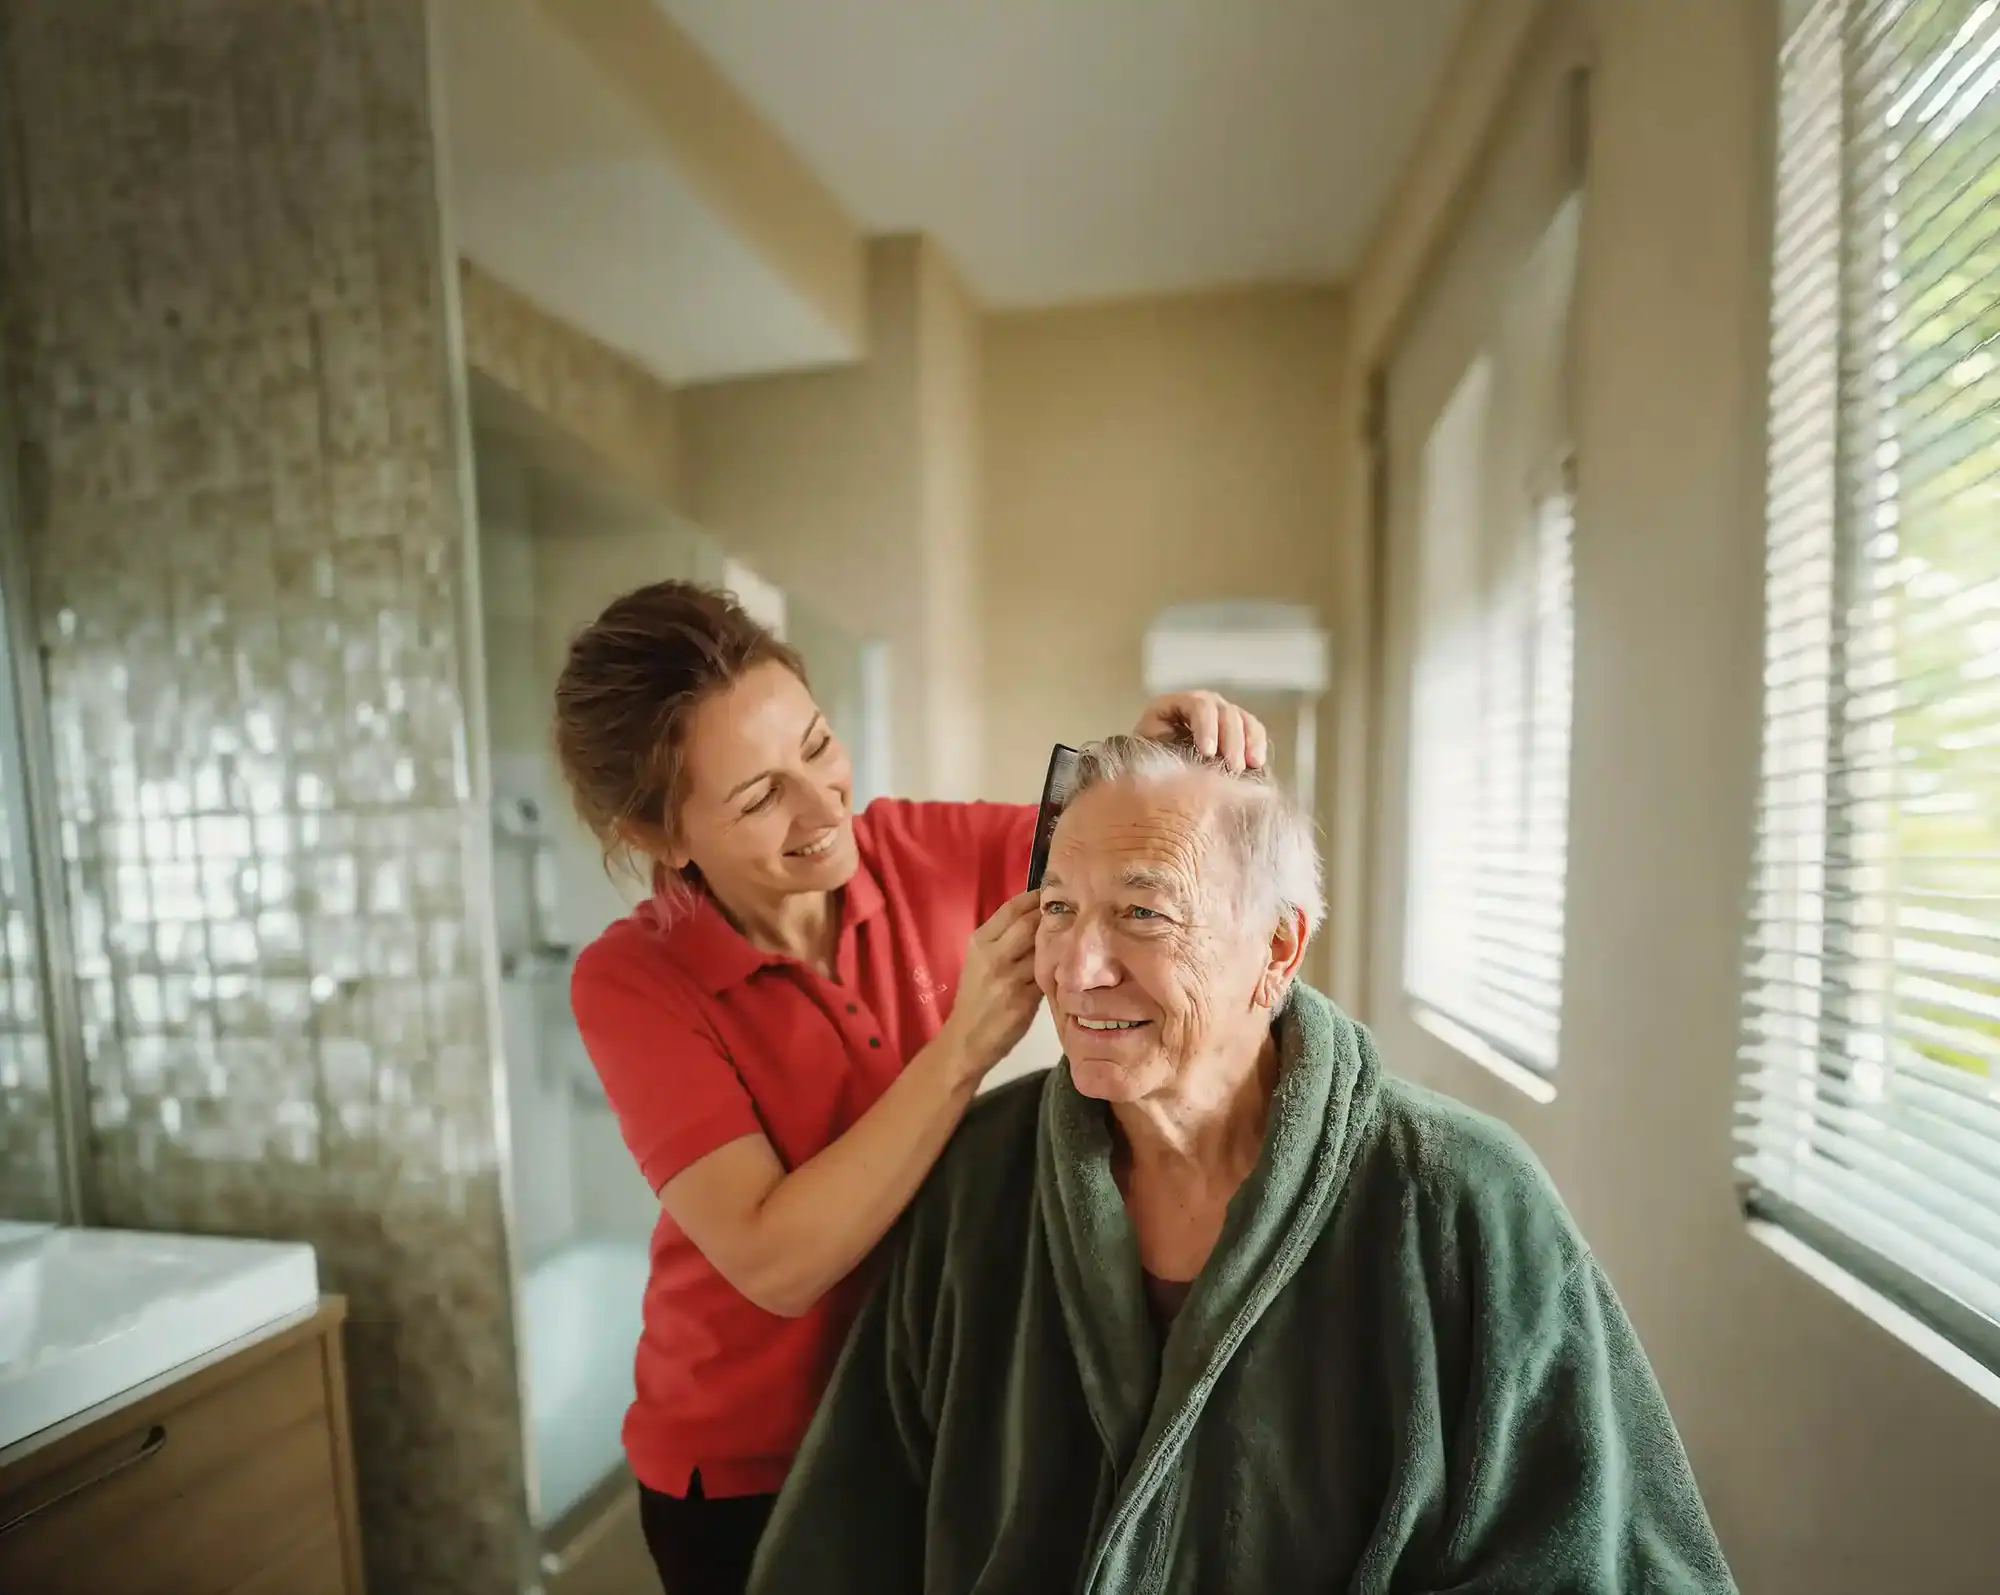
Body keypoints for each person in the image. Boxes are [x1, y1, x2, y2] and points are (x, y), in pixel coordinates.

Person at [747, 733, 1739, 1595]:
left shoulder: (1459, 1196)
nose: (1080, 966)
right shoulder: (980, 1176)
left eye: (1141, 914)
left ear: (1276, 947)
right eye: (1057, 907)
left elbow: (1590, 1555)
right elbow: (850, 1530)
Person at [553, 580, 1269, 1595]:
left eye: (814, 744)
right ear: (658, 837)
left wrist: (1147, 759)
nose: (821, 805)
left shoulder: (919, 850)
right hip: (750, 1462)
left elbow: (1097, 850)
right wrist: (962, 1047)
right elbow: (773, 1258)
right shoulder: (632, 979)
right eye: (758, 796)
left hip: (924, 1415)